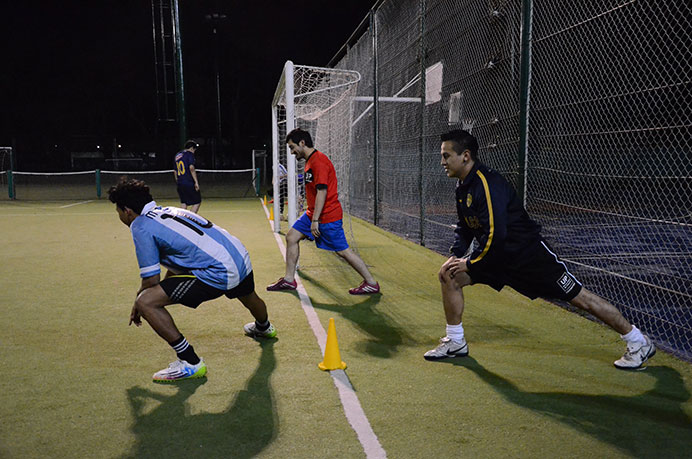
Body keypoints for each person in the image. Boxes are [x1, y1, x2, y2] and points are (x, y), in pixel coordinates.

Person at [425, 129, 655, 370]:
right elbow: (465, 226)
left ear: (466, 156)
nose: (442, 162)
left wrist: (470, 264)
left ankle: (638, 342)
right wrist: (455, 254)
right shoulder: (463, 186)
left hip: (529, 257)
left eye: (446, 156)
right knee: (448, 274)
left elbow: (497, 234)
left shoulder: (487, 184)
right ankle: (456, 342)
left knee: (581, 299)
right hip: (497, 258)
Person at [108, 177, 276, 382]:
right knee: (248, 296)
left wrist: (138, 302)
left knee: (146, 302)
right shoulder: (168, 211)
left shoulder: (140, 225)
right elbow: (179, 262)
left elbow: (151, 280)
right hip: (239, 256)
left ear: (127, 211)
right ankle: (264, 327)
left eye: (118, 211)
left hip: (218, 271)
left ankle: (190, 362)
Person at [266, 128, 380, 295]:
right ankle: (289, 280)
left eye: (292, 147)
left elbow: (322, 191)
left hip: (327, 216)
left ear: (302, 143)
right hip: (313, 213)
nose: (291, 152)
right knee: (292, 237)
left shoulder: (318, 161)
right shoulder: (310, 161)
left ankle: (371, 283)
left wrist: (315, 220)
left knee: (342, 251)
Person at [173, 140, 201, 214]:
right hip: (188, 181)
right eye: (194, 149)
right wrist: (196, 182)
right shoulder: (189, 154)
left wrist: (178, 181)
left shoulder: (177, 155)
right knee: (197, 202)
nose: (194, 151)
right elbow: (191, 168)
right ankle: (190, 220)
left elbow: (175, 171)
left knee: (184, 204)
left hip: (180, 182)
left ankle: (182, 220)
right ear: (191, 148)